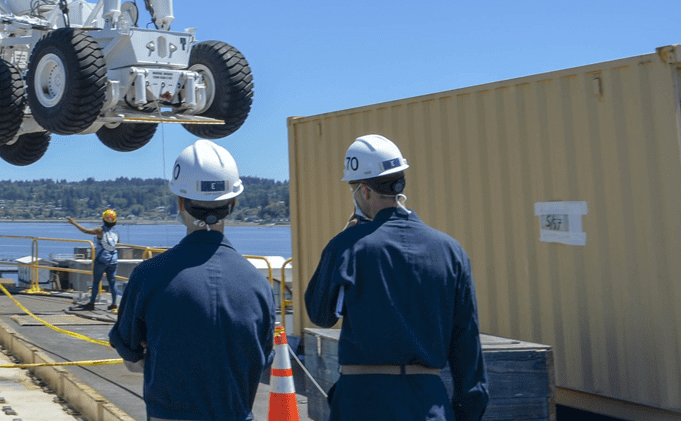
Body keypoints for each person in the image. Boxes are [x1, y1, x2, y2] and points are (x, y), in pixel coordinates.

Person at [305, 134, 488, 421]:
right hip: (430, 403)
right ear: (400, 182)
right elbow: (467, 343)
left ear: (363, 190)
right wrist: (467, 410)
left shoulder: (348, 246)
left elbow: (320, 314)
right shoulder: (451, 251)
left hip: (362, 402)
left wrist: (342, 241)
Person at [110, 140, 275, 421]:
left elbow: (130, 358)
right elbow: (262, 364)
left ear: (180, 202)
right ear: (233, 204)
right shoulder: (258, 284)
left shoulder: (148, 275)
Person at [66, 209, 120, 310]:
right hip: (113, 260)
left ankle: (91, 303)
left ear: (104, 219)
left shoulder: (100, 230)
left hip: (101, 260)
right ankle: (114, 304)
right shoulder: (116, 231)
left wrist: (74, 223)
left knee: (96, 282)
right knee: (112, 282)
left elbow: (85, 231)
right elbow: (118, 243)